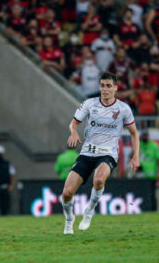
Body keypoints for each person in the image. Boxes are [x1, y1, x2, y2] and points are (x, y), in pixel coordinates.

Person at [61, 72, 140, 234]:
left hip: (108, 152)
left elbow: (134, 133)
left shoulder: (123, 109)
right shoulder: (89, 104)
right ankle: (69, 218)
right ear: (99, 87)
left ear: (115, 88)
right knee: (67, 193)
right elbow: (73, 123)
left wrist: (136, 155)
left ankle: (89, 211)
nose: (105, 89)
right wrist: (74, 132)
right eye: (103, 86)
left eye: (109, 86)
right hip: (87, 152)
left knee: (98, 180)